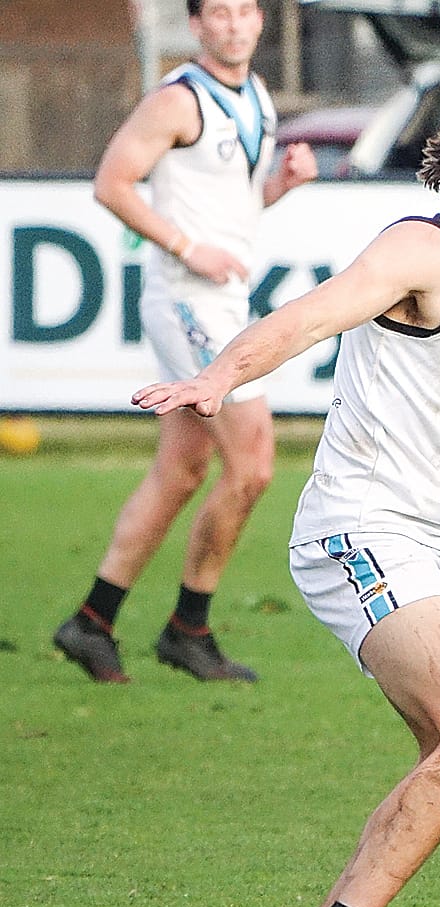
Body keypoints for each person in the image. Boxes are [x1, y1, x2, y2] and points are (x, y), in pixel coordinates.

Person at [130, 62, 440, 907]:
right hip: (361, 529)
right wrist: (220, 375)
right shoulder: (424, 245)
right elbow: (315, 313)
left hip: (425, 536)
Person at [52, 0, 317, 684]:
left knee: (182, 469)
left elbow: (230, 205)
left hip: (221, 298)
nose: (234, 24)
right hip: (186, 301)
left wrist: (280, 186)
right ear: (196, 26)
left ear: (260, 20)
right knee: (253, 464)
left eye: (244, 10)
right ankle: (187, 629)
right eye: (218, 13)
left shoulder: (256, 95)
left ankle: (92, 621)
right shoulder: (178, 100)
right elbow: (112, 183)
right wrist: (185, 247)